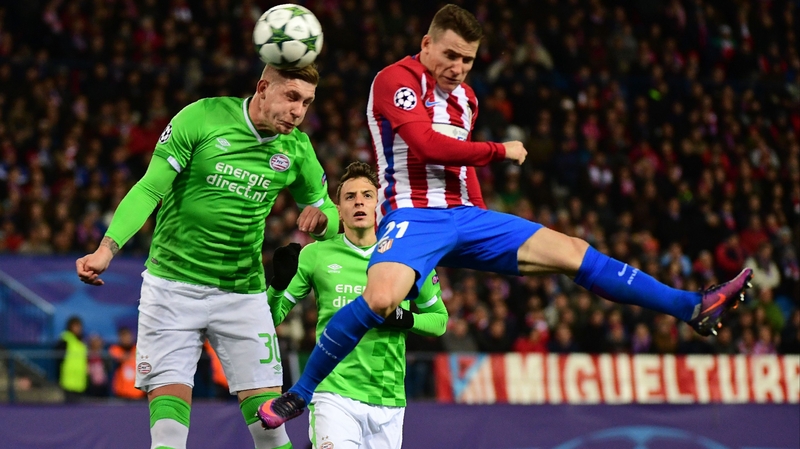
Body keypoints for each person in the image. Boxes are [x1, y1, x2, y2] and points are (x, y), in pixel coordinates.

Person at [258, 4, 753, 428]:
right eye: (449, 55)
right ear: (426, 44)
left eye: (467, 60)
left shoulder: (467, 97)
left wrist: (480, 215)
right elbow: (426, 146)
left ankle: (691, 306)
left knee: (575, 254)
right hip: (413, 216)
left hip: (466, 216)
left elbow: (460, 168)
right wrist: (498, 150)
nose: (457, 68)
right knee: (382, 299)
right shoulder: (396, 79)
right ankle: (300, 393)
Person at [76, 63, 339, 449]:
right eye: (292, 97)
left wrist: (322, 221)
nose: (299, 111)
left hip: (243, 292)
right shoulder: (202, 117)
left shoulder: (297, 149)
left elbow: (332, 215)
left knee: (270, 426)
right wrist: (106, 248)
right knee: (167, 433)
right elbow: (150, 188)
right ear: (263, 87)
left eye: (307, 102)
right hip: (171, 286)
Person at [267, 161, 447, 449]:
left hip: (388, 398)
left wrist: (405, 319)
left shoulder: (408, 255)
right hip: (333, 394)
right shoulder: (316, 255)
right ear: (339, 209)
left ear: (379, 205)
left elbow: (439, 322)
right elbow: (271, 317)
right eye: (350, 197)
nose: (359, 202)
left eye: (367, 195)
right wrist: (277, 285)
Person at [55, 316, 87, 403]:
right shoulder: (65, 339)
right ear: (70, 327)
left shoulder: (82, 342)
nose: (78, 328)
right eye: (75, 326)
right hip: (68, 381)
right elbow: (58, 359)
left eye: (79, 326)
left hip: (80, 382)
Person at [109, 327, 145, 400]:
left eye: (127, 336)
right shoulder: (115, 349)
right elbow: (118, 357)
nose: (126, 339)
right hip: (121, 393)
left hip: (138, 393)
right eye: (123, 336)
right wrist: (130, 356)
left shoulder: (138, 349)